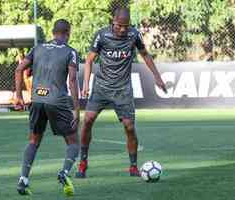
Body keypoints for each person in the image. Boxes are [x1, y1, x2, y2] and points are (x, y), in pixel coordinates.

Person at [75, 8, 167, 178]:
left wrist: (157, 77)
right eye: (119, 26)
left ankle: (133, 166)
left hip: (122, 89)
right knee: (87, 120)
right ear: (113, 21)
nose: (123, 30)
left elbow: (145, 55)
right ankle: (83, 163)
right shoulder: (101, 35)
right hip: (101, 87)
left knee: (129, 127)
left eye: (126, 26)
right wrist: (86, 85)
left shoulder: (134, 35)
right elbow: (88, 60)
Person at [14, 19, 80, 196]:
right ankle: (64, 172)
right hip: (57, 101)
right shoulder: (71, 52)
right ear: (68, 32)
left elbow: (19, 69)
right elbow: (72, 81)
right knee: (74, 143)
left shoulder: (38, 48)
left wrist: (19, 96)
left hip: (37, 99)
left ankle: (23, 179)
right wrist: (76, 109)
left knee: (33, 141)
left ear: (53, 32)